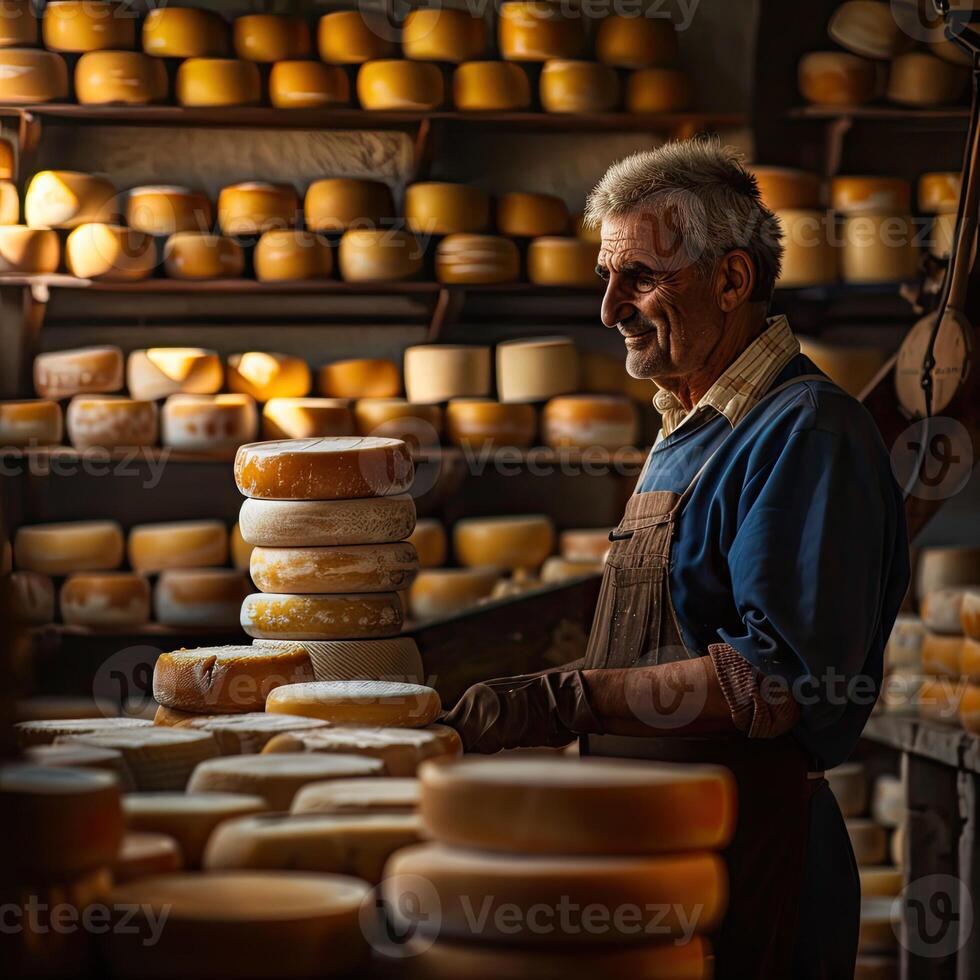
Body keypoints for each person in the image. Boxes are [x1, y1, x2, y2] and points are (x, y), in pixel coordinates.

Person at [441, 139, 910, 979]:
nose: (609, 308)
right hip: (652, 857)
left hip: (747, 868)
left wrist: (566, 700)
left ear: (732, 280)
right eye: (606, 277)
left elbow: (767, 682)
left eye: (642, 278)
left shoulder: (805, 430)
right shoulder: (687, 434)